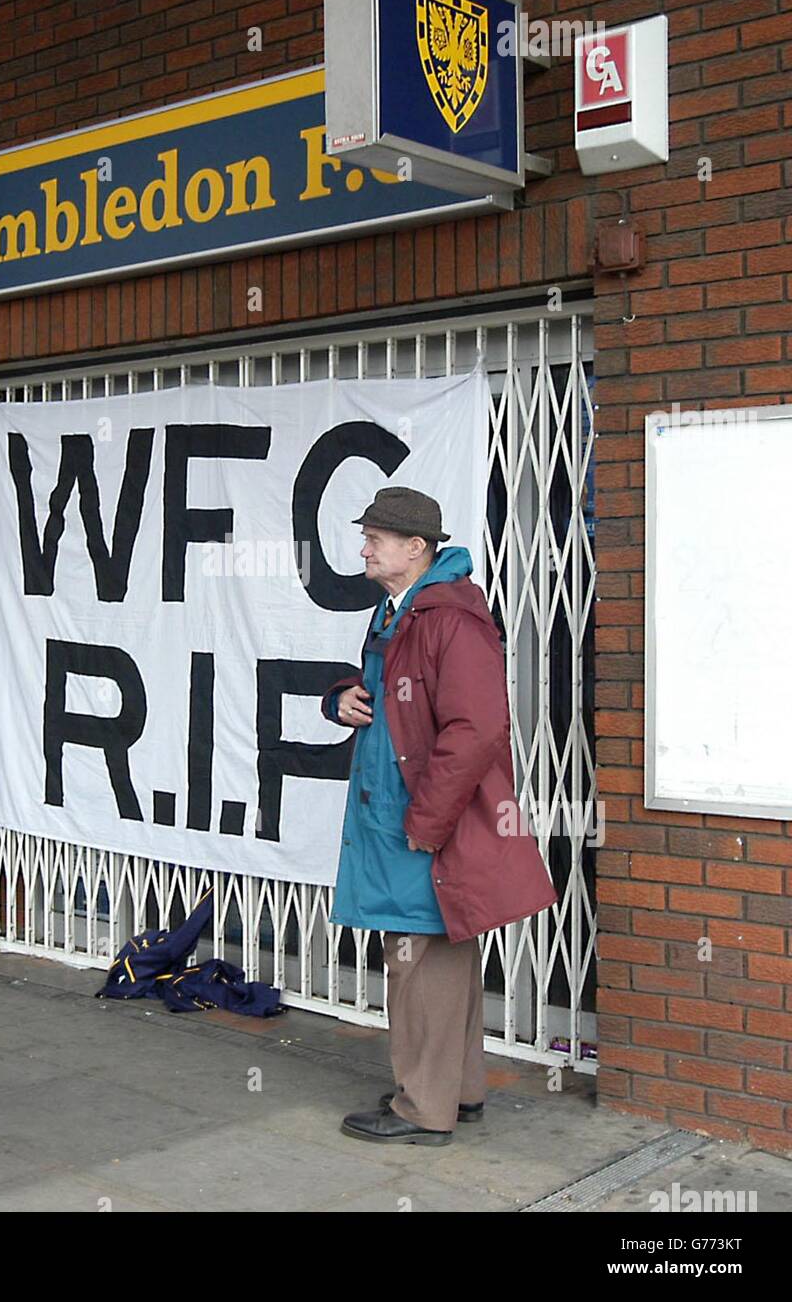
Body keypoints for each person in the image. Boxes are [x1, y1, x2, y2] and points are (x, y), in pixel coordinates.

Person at [322, 485, 557, 1146]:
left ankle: (421, 1109)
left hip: (418, 822)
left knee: (417, 960)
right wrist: (342, 697)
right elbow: (388, 698)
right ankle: (457, 1092)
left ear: (417, 547)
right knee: (442, 954)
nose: (364, 546)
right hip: (402, 815)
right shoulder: (405, 611)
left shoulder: (446, 618)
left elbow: (477, 729)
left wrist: (426, 821)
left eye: (377, 537)